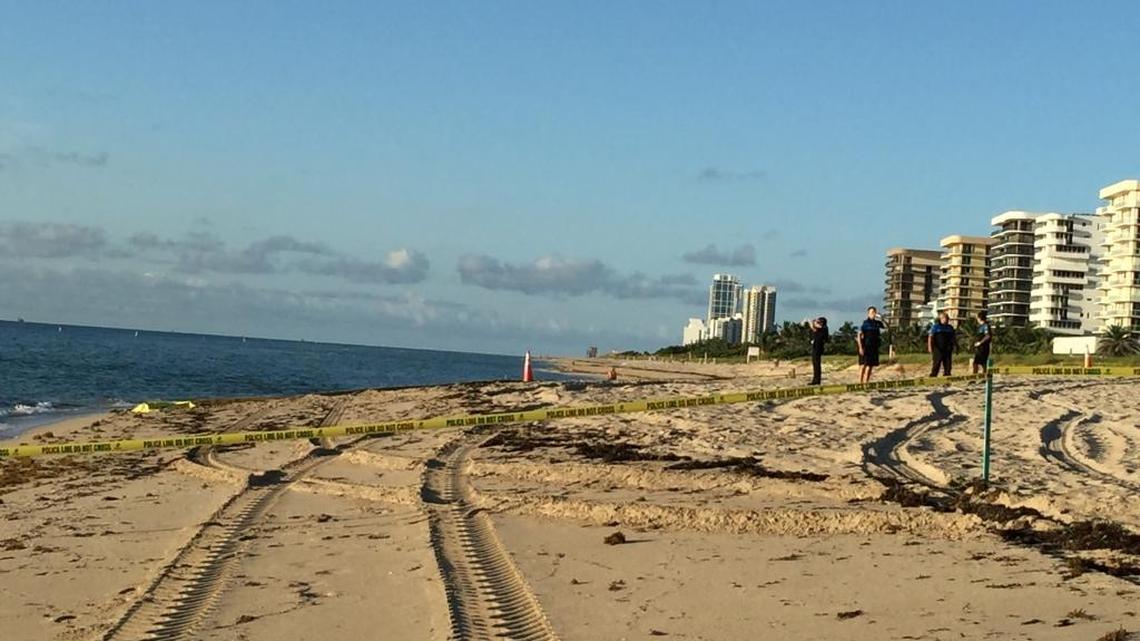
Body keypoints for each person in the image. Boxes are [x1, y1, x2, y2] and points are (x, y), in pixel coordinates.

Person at [857, 306, 887, 384]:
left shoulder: (877, 323)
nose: (873, 314)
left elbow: (886, 326)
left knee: (870, 366)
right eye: (872, 312)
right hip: (866, 346)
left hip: (874, 347)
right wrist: (860, 347)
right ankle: (860, 382)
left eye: (874, 312)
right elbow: (859, 335)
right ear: (868, 313)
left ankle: (866, 382)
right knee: (863, 365)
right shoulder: (865, 323)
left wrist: (882, 318)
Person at [927, 312, 956, 377]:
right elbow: (930, 337)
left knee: (948, 365)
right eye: (946, 318)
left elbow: (953, 338)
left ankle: (947, 378)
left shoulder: (950, 327)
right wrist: (929, 347)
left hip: (947, 349)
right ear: (941, 319)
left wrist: (955, 346)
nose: (947, 320)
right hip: (938, 349)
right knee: (936, 364)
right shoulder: (936, 327)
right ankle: (933, 377)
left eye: (948, 318)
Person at [808, 317, 829, 385]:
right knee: (815, 364)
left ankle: (816, 380)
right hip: (815, 347)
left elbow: (814, 328)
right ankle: (815, 379)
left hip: (818, 348)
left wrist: (812, 323)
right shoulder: (821, 328)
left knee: (817, 364)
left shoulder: (824, 328)